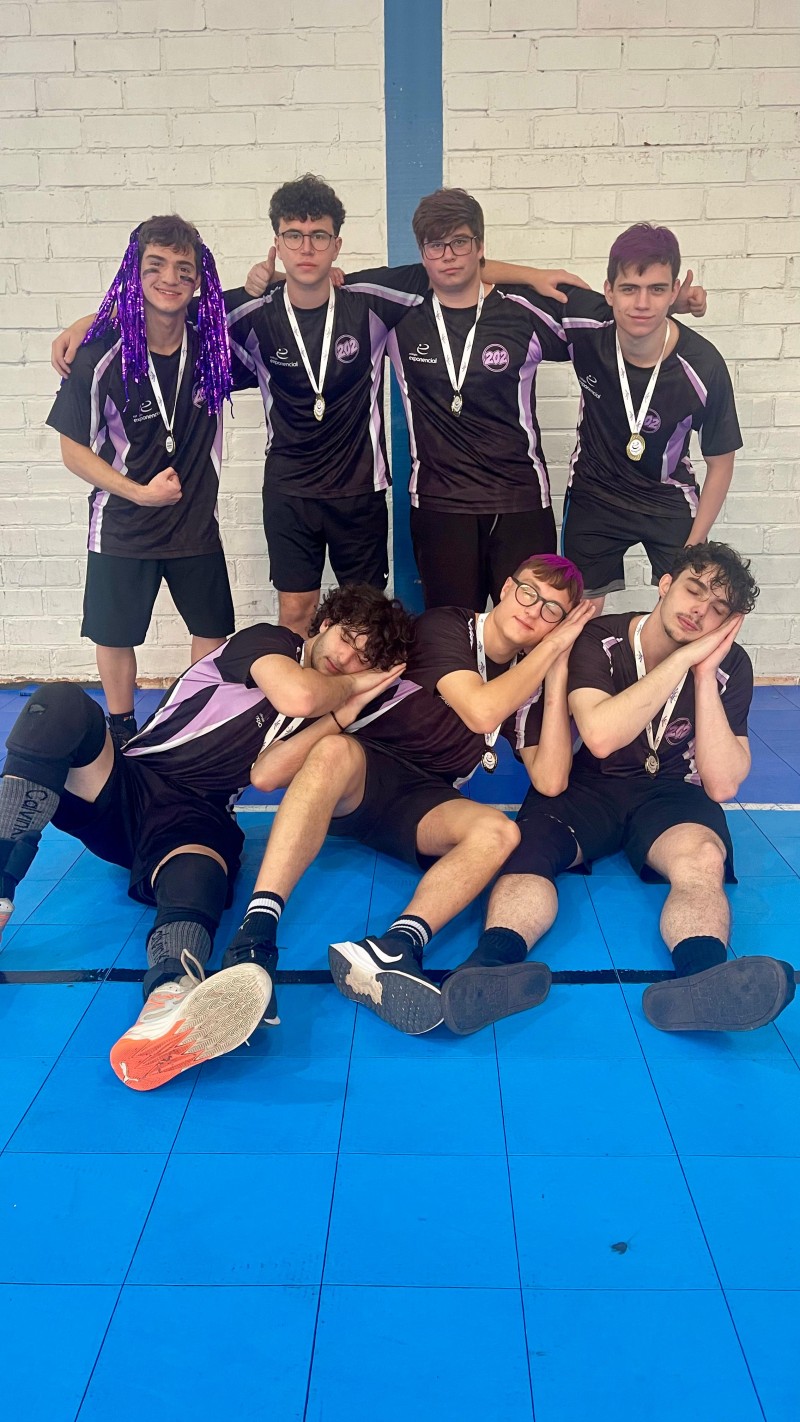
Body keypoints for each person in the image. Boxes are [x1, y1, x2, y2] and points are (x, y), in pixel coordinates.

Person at [54, 177, 581, 635]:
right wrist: (91, 323)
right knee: (296, 611)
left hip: (360, 489)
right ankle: (298, 707)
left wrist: (532, 275)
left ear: (336, 245)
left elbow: (449, 269)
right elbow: (169, 303)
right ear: (278, 243)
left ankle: (365, 707)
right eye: (294, 236)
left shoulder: (370, 298)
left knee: (366, 614)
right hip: (290, 490)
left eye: (319, 236)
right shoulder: (251, 311)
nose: (306, 247)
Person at [0, 585, 412, 1090]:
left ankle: (167, 1000)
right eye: (347, 639)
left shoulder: (321, 711)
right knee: (61, 703)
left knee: (202, 872)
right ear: (324, 624)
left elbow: (266, 775)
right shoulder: (270, 643)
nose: (346, 659)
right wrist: (352, 686)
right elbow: (298, 694)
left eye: (362, 659)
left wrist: (341, 716)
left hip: (196, 818)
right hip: (128, 782)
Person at [223, 554, 594, 1035]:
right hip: (362, 768)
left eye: (551, 611)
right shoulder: (448, 627)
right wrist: (555, 643)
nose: (533, 610)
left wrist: (557, 670)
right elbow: (482, 711)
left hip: (422, 800)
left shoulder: (529, 674)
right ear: (506, 588)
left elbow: (551, 779)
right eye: (528, 592)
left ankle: (395, 947)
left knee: (500, 832)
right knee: (334, 750)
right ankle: (254, 937)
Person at [442, 543, 795, 1037]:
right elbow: (602, 737)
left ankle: (702, 979)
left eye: (718, 608)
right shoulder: (601, 637)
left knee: (702, 860)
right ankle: (489, 967)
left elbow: (721, 782)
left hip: (670, 791)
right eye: (693, 590)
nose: (700, 611)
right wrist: (683, 659)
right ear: (665, 584)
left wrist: (702, 676)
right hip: (589, 784)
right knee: (529, 854)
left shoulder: (728, 665)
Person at [46, 214, 238, 748]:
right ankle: (122, 728)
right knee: (114, 634)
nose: (170, 278)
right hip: (122, 525)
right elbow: (72, 450)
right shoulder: (99, 354)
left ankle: (194, 722)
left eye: (183, 268)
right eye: (155, 266)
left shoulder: (215, 345)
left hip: (194, 523)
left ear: (198, 279)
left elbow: (269, 303)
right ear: (134, 273)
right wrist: (140, 493)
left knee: (212, 629)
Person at [559, 223, 741, 609]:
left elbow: (721, 464)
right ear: (608, 291)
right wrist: (531, 275)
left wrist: (695, 544)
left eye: (657, 290)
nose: (642, 303)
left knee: (684, 615)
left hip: (667, 499)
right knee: (578, 617)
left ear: (674, 291)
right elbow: (475, 271)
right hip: (595, 492)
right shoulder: (584, 324)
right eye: (629, 289)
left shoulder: (703, 366)